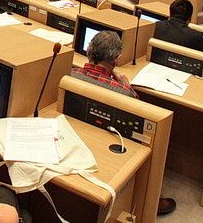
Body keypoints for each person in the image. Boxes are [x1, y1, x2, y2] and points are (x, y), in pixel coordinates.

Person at [70, 30, 177, 215]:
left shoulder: (69, 74)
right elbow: (138, 115)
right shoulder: (124, 93)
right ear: (117, 59)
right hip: (110, 151)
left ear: (88, 50)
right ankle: (147, 200)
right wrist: (127, 87)